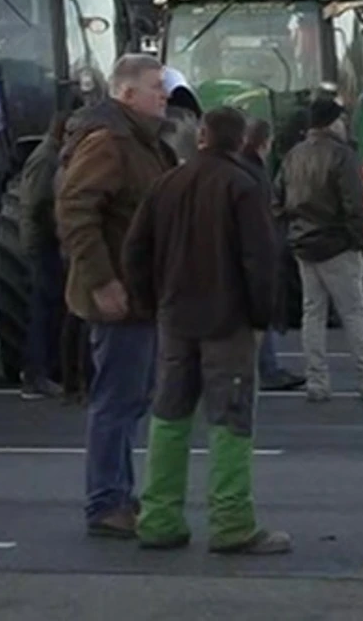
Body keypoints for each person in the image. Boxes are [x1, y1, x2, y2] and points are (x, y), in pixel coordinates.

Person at [123, 107, 292, 554]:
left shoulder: (166, 184)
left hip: (175, 319)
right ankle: (232, 522)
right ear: (240, 142)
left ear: (202, 136)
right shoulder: (242, 186)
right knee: (230, 419)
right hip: (227, 322)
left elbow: (135, 249)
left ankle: (159, 518)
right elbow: (261, 260)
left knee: (169, 415)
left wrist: (148, 301)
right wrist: (261, 318)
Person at [55, 53, 178, 538]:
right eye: (155, 87)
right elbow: (75, 211)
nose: (164, 95)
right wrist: (103, 281)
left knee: (131, 398)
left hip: (141, 293)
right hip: (119, 296)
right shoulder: (111, 143)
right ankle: (107, 501)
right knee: (116, 400)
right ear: (126, 94)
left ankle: (119, 496)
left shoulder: (145, 143)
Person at [276, 97, 363, 403]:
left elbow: (279, 198)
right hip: (337, 244)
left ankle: (317, 382)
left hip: (303, 244)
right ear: (331, 122)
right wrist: (359, 239)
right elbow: (353, 202)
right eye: (340, 118)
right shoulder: (342, 155)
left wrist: (294, 231)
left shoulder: (293, 155)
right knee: (355, 314)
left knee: (313, 315)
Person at [236, 119, 305, 392]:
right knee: (258, 312)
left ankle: (266, 367)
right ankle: (266, 369)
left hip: (244, 252)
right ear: (265, 143)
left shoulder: (239, 167)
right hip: (253, 253)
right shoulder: (254, 172)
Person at [15, 110, 73, 400]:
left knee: (50, 308)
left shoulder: (49, 156)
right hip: (43, 245)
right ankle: (36, 374)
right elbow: (39, 204)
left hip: (44, 242)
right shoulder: (46, 159)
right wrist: (60, 231)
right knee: (43, 309)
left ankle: (47, 370)